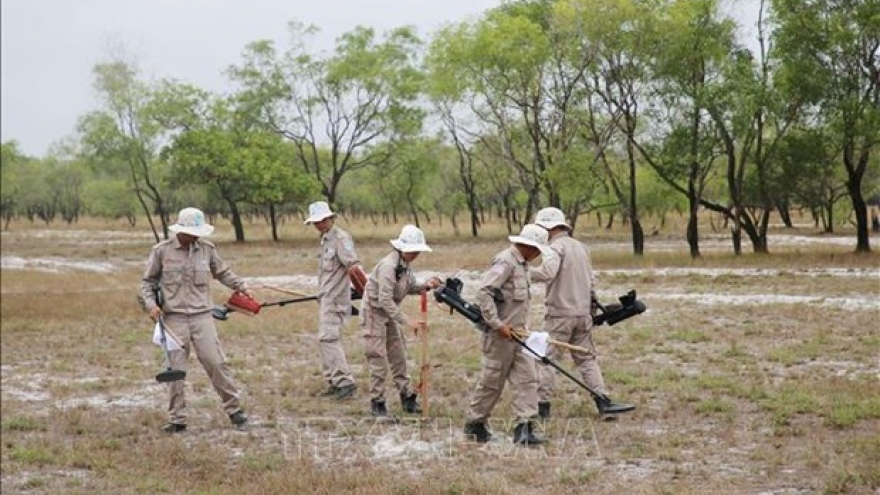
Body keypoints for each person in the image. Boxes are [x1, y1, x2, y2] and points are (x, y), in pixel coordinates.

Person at [138, 207, 253, 433]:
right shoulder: (161, 251)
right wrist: (151, 306)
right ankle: (177, 418)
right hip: (174, 319)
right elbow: (146, 284)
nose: (195, 236)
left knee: (216, 362)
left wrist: (241, 286)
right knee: (175, 369)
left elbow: (223, 272)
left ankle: (234, 410)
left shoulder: (207, 249)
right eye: (191, 232)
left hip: (202, 316)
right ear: (180, 230)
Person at [530, 207, 634, 419]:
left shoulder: (554, 248)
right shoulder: (581, 248)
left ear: (547, 228)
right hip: (582, 313)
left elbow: (547, 273)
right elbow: (591, 282)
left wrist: (520, 269)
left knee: (548, 360)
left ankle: (542, 407)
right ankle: (603, 401)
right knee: (587, 360)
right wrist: (592, 311)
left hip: (559, 315)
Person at [463, 224, 549, 446]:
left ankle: (524, 428)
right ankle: (475, 423)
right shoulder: (506, 262)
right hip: (500, 337)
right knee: (492, 383)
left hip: (519, 335)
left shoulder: (523, 265)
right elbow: (484, 292)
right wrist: (497, 324)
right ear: (527, 246)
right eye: (537, 249)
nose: (539, 254)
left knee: (528, 379)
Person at [360, 224, 441, 417]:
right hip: (374, 312)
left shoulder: (405, 266)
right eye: (413, 250)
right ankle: (377, 402)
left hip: (389, 312)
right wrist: (407, 321)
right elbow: (384, 299)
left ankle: (407, 397)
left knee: (399, 355)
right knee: (378, 358)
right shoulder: (388, 266)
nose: (416, 254)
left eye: (417, 251)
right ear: (402, 248)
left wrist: (426, 286)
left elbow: (410, 286)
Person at [304, 201, 360, 400]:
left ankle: (345, 382)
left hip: (336, 298)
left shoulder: (340, 238)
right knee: (324, 340)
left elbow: (353, 267)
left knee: (329, 338)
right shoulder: (325, 239)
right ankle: (334, 381)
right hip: (326, 297)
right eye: (315, 222)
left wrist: (364, 291)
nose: (318, 224)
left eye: (321, 220)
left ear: (330, 218)